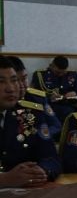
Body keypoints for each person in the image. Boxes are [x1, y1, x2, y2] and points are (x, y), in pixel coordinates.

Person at [0, 56, 61, 187]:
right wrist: (4, 180)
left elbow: (51, 159)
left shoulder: (29, 115)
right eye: (1, 82)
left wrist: (40, 171)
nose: (11, 88)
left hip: (25, 192)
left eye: (14, 80)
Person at [9, 56, 62, 137]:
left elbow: (56, 125)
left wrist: (40, 135)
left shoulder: (38, 99)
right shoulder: (4, 101)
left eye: (24, 78)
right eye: (15, 80)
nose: (22, 85)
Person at [31, 55, 77, 122]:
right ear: (52, 66)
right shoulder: (40, 75)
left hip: (68, 105)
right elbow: (34, 96)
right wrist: (49, 98)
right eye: (58, 72)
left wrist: (75, 95)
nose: (61, 74)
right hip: (49, 107)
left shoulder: (72, 74)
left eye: (63, 72)